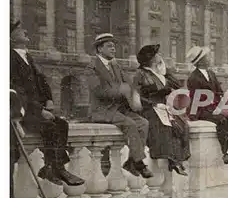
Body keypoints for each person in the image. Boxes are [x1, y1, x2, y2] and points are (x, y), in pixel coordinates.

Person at [10, 20, 85, 186]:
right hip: (22, 111)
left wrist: (49, 98)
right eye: (19, 30)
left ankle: (53, 167)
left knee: (62, 124)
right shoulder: (10, 57)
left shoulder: (27, 56)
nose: (25, 31)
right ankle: (55, 168)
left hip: (36, 109)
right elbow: (17, 90)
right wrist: (39, 110)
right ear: (10, 37)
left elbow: (42, 81)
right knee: (50, 127)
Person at [86, 33, 153, 178]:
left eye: (114, 46)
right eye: (109, 46)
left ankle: (131, 161)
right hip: (101, 110)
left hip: (118, 109)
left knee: (144, 123)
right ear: (99, 49)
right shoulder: (92, 67)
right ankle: (139, 163)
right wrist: (119, 90)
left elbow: (129, 84)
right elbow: (97, 91)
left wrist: (134, 97)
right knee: (129, 124)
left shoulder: (116, 66)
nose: (114, 49)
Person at [133, 44, 191, 176]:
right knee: (164, 127)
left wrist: (166, 71)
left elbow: (177, 86)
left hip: (164, 108)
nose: (160, 56)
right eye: (157, 54)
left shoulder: (160, 73)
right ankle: (172, 160)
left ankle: (178, 159)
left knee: (182, 125)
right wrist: (153, 104)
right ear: (152, 58)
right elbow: (135, 97)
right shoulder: (140, 74)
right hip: (148, 109)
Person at [186, 46, 228, 166]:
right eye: (207, 57)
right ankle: (227, 153)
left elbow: (219, 92)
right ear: (200, 61)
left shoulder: (211, 73)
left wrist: (221, 107)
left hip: (212, 108)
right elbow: (199, 99)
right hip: (200, 110)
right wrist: (218, 109)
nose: (209, 58)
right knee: (222, 120)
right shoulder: (193, 78)